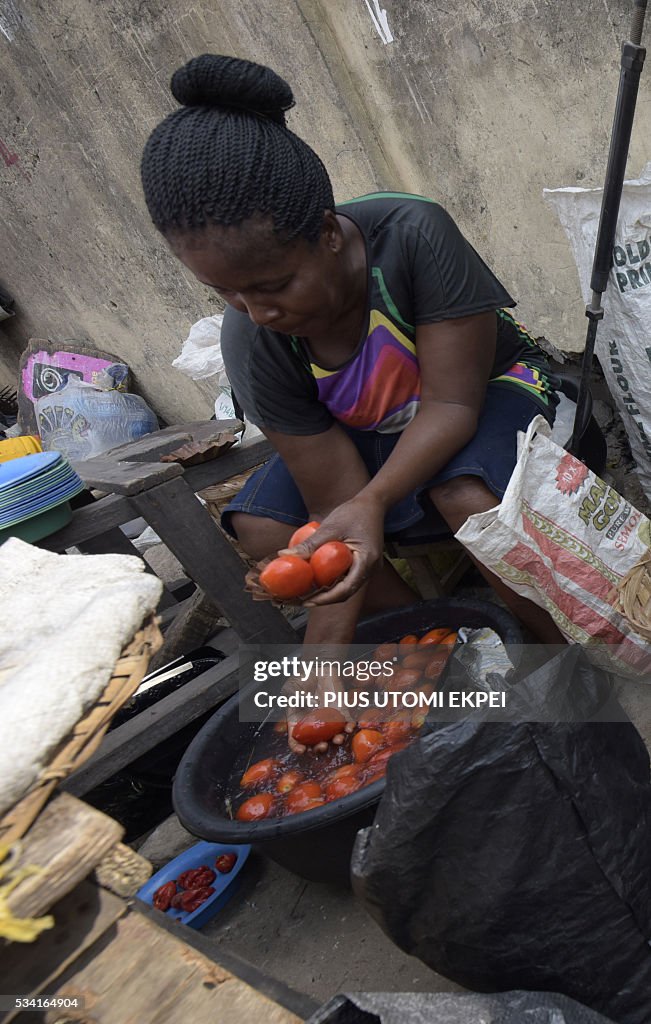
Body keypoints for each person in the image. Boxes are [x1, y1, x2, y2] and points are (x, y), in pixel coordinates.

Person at [140, 53, 565, 706]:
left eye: (273, 285)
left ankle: (554, 664)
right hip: (373, 430)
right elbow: (330, 503)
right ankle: (431, 659)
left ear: (327, 235)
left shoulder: (412, 234)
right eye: (224, 292)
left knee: (467, 496)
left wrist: (369, 502)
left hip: (495, 390)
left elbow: (453, 402)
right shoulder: (251, 336)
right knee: (259, 524)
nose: (257, 312)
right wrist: (322, 665)